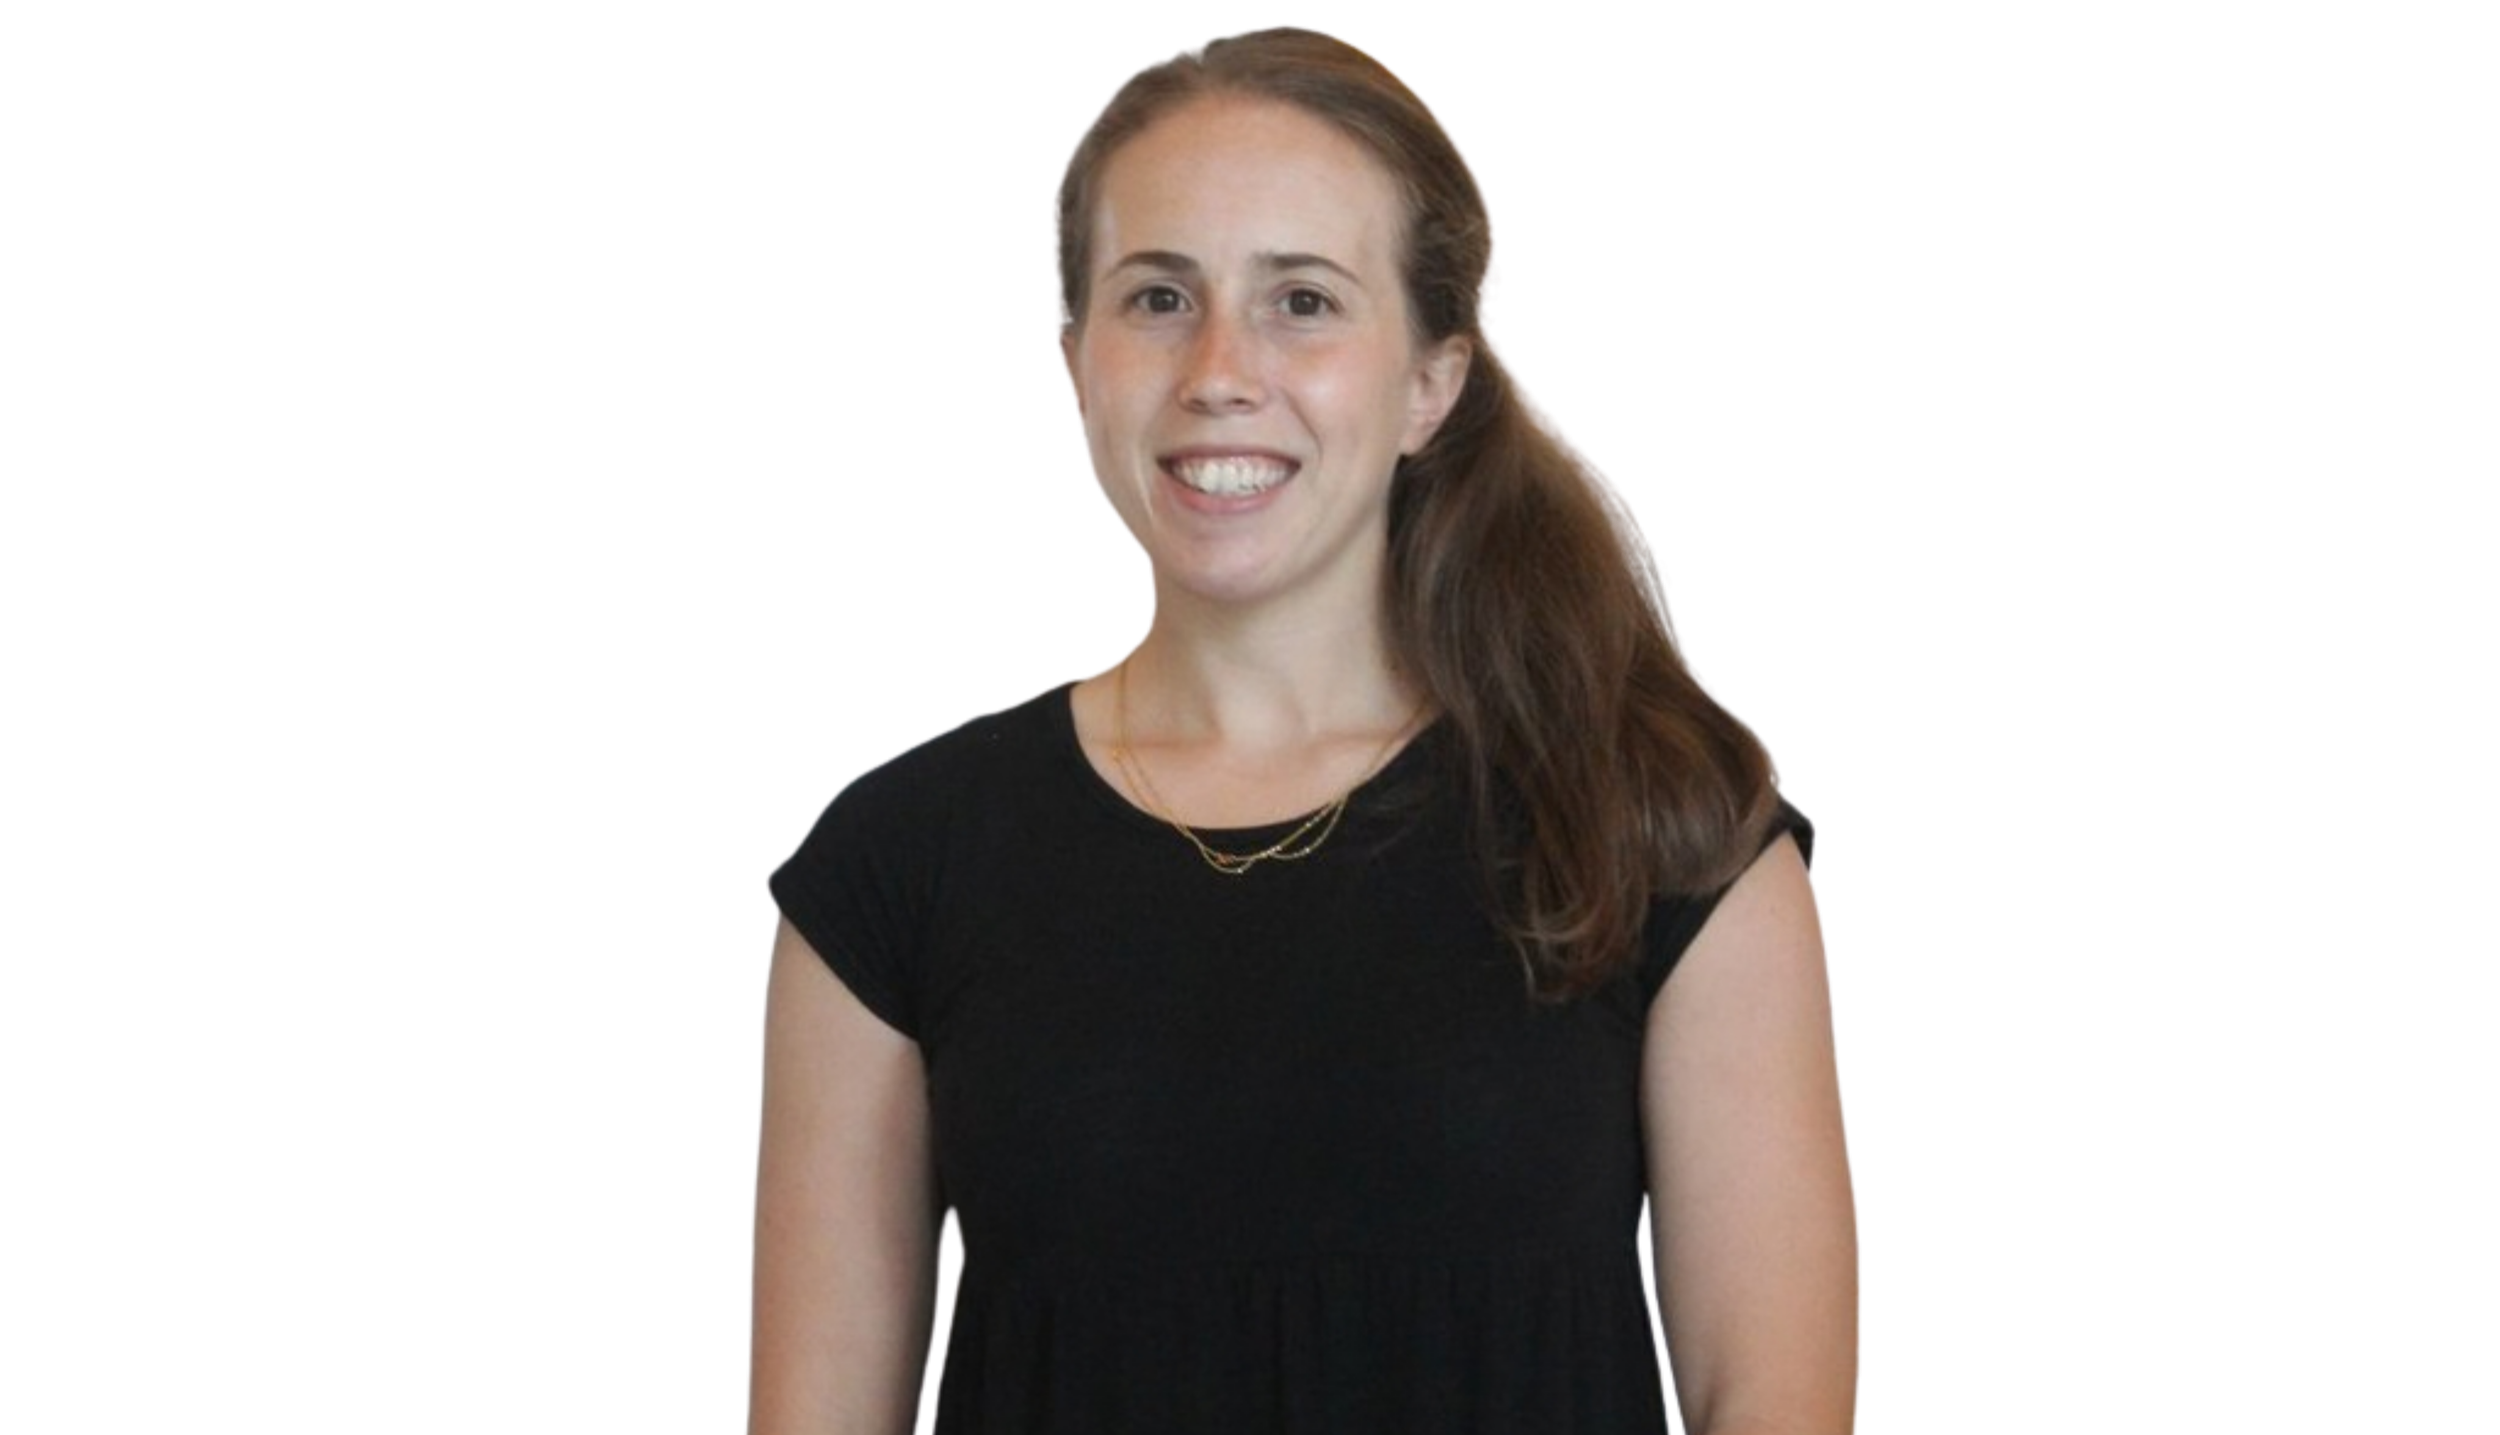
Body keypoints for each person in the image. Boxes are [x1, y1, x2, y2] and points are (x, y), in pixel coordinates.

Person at [748, 25, 1855, 1435]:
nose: (1220, 369)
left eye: (1304, 302)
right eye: (1157, 296)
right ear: (1074, 359)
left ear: (1432, 381)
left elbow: (1773, 1402)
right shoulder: (891, 867)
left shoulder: (1672, 834)